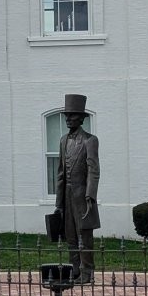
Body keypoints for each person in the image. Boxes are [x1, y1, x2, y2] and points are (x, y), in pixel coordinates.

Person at [55, 93, 100, 284]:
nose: (68, 119)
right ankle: (74, 268)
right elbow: (60, 174)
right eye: (66, 116)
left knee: (84, 234)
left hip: (82, 195)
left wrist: (90, 195)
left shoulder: (90, 140)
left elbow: (93, 170)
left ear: (81, 118)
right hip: (67, 195)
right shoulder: (63, 140)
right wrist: (58, 203)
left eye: (72, 116)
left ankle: (87, 271)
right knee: (70, 235)